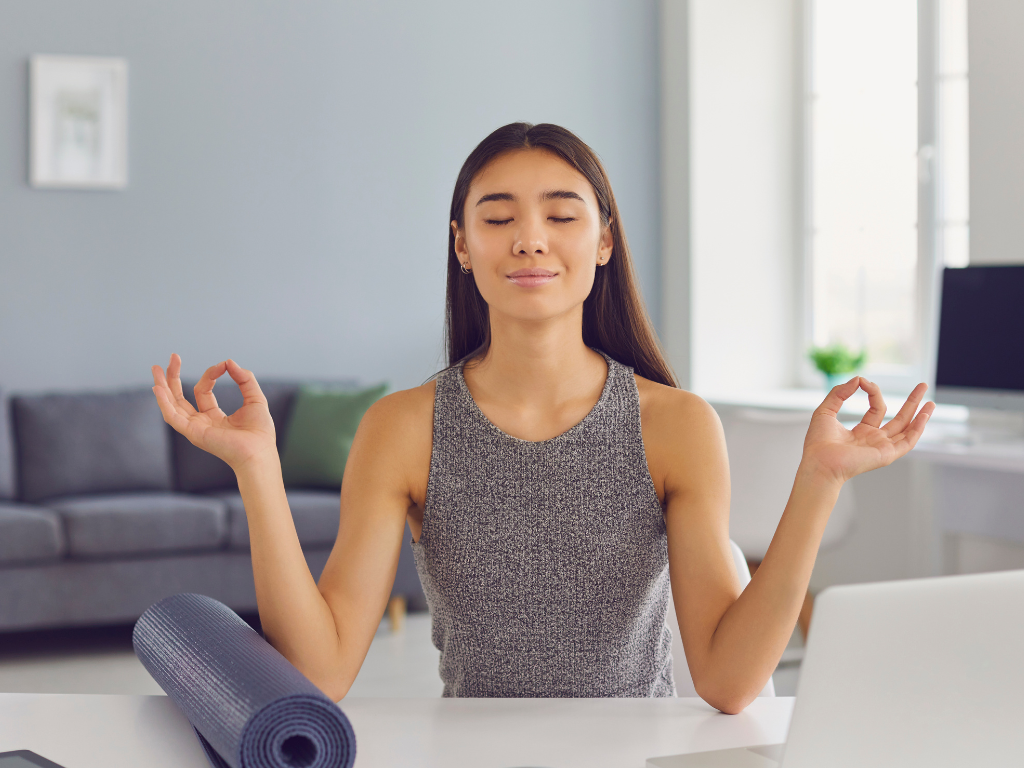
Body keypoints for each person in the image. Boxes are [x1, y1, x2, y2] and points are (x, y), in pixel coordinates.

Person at [151, 122, 934, 713]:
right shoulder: (403, 427)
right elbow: (320, 673)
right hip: (475, 753)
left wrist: (820, 478)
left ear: (602, 242)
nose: (530, 238)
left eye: (562, 216)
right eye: (497, 218)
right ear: (461, 245)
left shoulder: (677, 425)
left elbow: (729, 684)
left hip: (635, 754)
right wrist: (258, 469)